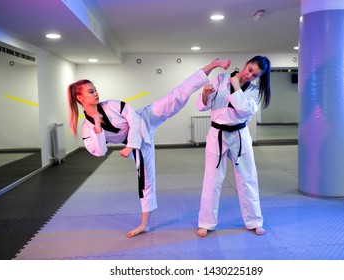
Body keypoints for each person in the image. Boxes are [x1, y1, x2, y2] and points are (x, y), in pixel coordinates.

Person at [67, 58, 231, 238]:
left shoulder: (112, 105)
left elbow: (134, 120)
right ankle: (144, 224)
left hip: (144, 120)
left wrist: (130, 146)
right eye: (91, 92)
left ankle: (213, 64)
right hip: (140, 143)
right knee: (145, 179)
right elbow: (99, 152)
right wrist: (98, 126)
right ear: (80, 98)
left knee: (175, 97)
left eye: (95, 89)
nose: (96, 93)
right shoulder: (87, 128)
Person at [196, 56, 271, 237]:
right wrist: (206, 93)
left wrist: (236, 84)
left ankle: (254, 221)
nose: (250, 74)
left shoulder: (254, 90)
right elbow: (202, 106)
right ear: (246, 64)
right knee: (212, 179)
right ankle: (206, 222)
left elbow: (244, 110)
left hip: (240, 136)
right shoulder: (221, 79)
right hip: (217, 135)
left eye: (255, 75)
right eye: (250, 69)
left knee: (248, 179)